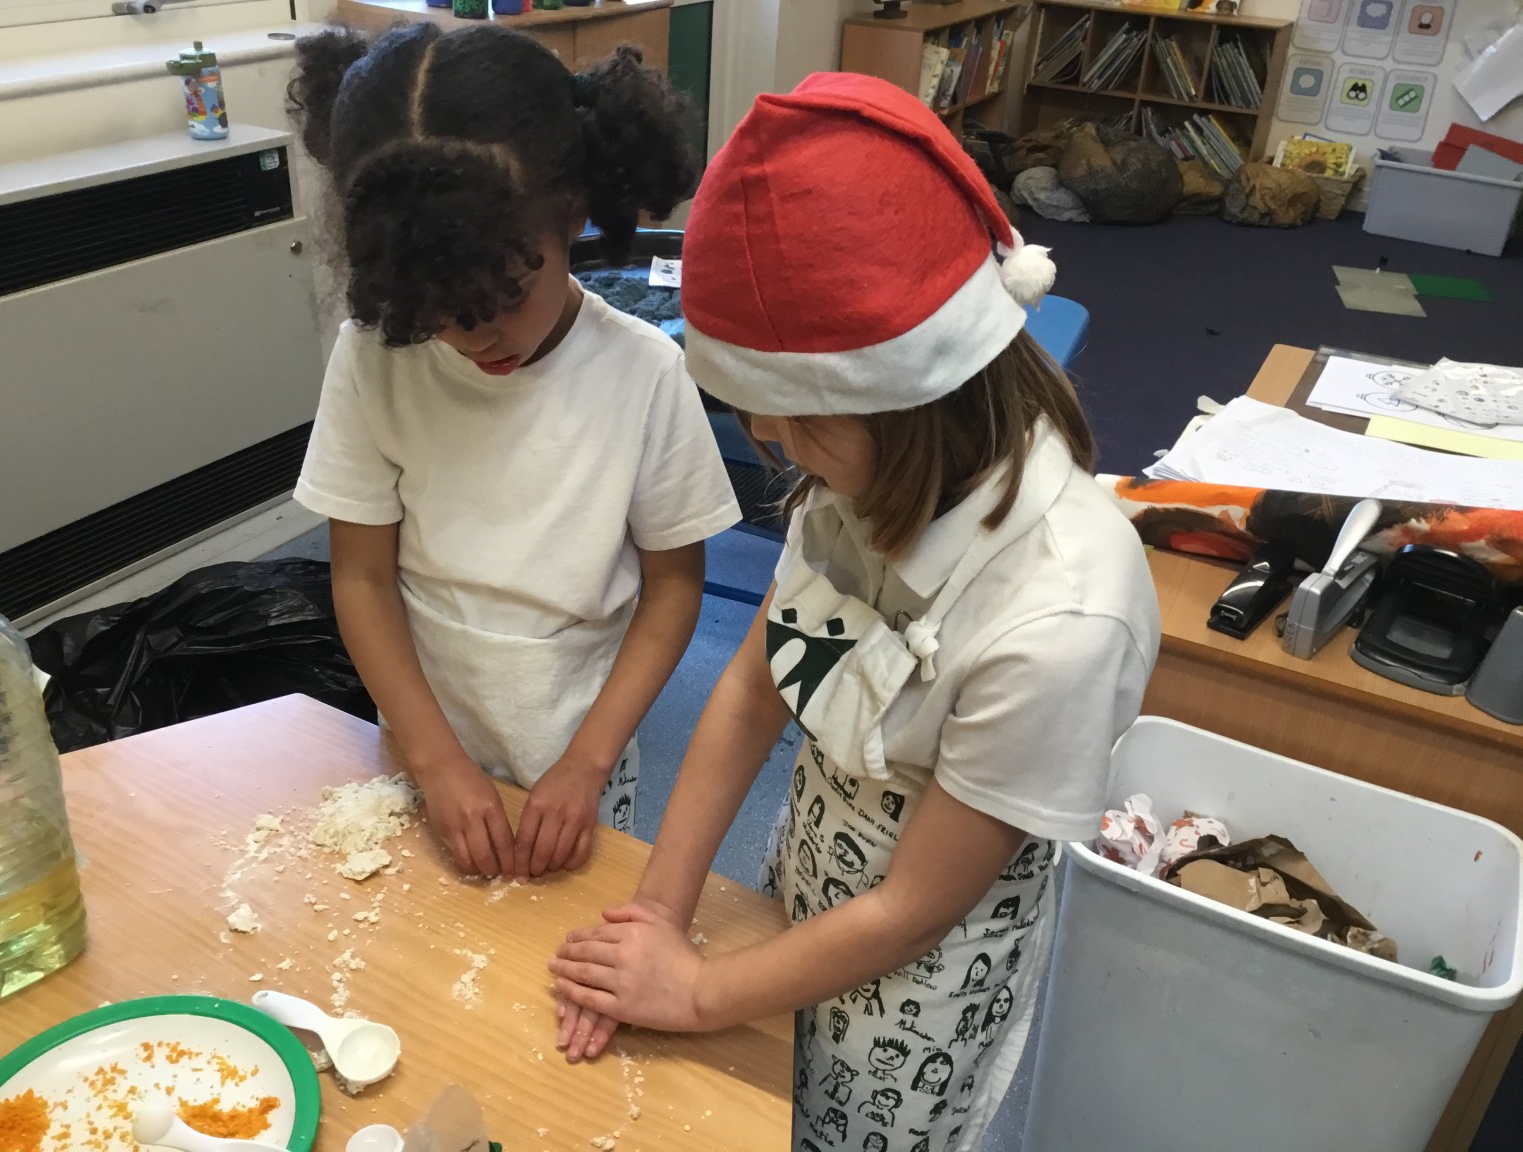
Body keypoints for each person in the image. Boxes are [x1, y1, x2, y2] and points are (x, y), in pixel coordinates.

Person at [547, 73, 1159, 1150]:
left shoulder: (1060, 622)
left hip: (918, 984)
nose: (776, 451)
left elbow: (914, 908)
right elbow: (751, 691)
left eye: (798, 426)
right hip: (806, 888)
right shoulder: (865, 474)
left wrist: (696, 993)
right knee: (761, 1108)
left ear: (918, 393)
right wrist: (662, 914)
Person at [287, 23, 738, 880]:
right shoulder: (376, 359)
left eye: (504, 293)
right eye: (436, 306)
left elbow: (674, 588)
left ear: (573, 213)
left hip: (581, 757)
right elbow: (362, 578)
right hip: (423, 740)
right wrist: (436, 763)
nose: (473, 335)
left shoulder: (644, 374)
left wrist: (588, 763)